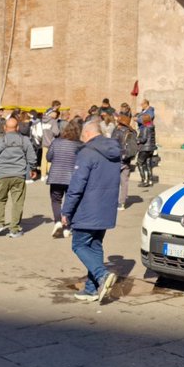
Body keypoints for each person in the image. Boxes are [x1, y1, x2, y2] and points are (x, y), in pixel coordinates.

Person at [61, 119, 122, 303]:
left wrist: (66, 211)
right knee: (95, 246)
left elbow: (76, 185)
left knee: (79, 245)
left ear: (87, 133)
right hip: (106, 208)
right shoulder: (114, 151)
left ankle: (102, 275)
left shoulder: (87, 152)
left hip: (88, 209)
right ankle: (91, 289)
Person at [0, 116, 37, 238]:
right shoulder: (24, 140)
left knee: (0, 200)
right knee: (17, 202)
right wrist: (33, 168)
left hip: (2, 175)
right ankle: (14, 229)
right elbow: (32, 157)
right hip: (19, 175)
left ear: (4, 128)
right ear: (17, 128)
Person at [46, 118, 83, 237]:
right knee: (70, 201)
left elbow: (48, 157)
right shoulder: (79, 145)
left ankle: (57, 221)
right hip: (72, 177)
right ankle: (67, 226)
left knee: (56, 200)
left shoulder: (56, 142)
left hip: (56, 176)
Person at [115, 113, 138, 210]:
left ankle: (113, 201)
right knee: (124, 182)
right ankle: (122, 203)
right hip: (127, 160)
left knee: (114, 182)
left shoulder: (117, 131)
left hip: (116, 160)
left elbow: (112, 145)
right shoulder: (132, 132)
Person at [137, 112, 157, 188]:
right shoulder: (152, 127)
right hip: (151, 148)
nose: (141, 120)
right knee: (148, 164)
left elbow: (143, 139)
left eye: (142, 119)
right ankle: (150, 181)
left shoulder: (145, 127)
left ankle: (144, 180)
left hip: (145, 148)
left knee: (139, 163)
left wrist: (137, 140)